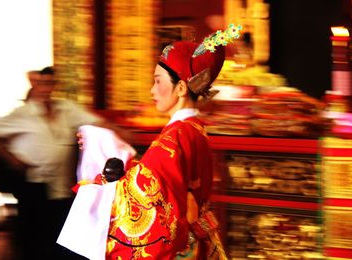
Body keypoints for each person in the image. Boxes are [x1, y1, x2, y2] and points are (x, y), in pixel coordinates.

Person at [74, 24, 241, 259]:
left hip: (180, 246)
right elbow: (158, 178)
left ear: (181, 88)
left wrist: (100, 151)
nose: (152, 90)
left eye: (158, 81)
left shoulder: (175, 138)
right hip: (198, 241)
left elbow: (142, 196)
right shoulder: (194, 130)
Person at [0, 66, 129, 260]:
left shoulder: (66, 108)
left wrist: (120, 132)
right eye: (41, 83)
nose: (45, 89)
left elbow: (96, 121)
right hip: (33, 187)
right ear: (34, 85)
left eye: (49, 83)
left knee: (61, 242)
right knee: (33, 242)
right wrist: (12, 159)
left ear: (54, 85)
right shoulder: (23, 114)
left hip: (61, 190)